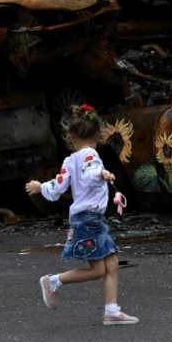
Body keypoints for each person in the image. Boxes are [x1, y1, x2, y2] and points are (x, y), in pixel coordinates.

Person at [26, 104, 138, 326]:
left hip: (85, 219)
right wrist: (102, 172)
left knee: (107, 266)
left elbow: (58, 187)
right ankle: (55, 282)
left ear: (71, 137)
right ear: (99, 134)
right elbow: (90, 173)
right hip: (90, 220)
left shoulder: (69, 161)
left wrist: (40, 187)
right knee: (104, 267)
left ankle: (111, 310)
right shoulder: (91, 155)